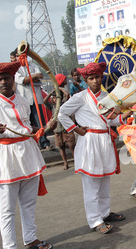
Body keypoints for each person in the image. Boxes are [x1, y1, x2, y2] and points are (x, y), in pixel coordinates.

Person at [0, 61, 54, 249]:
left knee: (28, 202)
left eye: (7, 78)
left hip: (27, 153)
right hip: (4, 155)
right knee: (7, 208)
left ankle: (30, 238)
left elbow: (25, 125)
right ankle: (9, 248)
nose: (3, 82)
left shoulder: (21, 100)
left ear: (13, 80)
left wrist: (39, 128)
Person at [57, 62, 129, 234]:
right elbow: (62, 113)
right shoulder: (80, 97)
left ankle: (104, 213)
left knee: (104, 180)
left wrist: (127, 114)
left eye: (97, 77)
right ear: (86, 80)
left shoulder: (107, 96)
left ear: (101, 77)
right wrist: (75, 129)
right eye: (91, 78)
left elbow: (110, 121)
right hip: (89, 141)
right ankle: (94, 220)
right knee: (91, 184)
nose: (95, 81)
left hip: (104, 139)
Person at [15, 51, 53, 150]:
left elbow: (39, 76)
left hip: (36, 98)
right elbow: (22, 80)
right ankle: (31, 143)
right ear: (16, 56)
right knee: (27, 122)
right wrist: (33, 77)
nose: (22, 57)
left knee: (39, 121)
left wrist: (29, 78)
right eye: (19, 55)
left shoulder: (33, 66)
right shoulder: (15, 68)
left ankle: (44, 142)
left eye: (24, 55)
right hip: (23, 100)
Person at [43, 74, 75, 170]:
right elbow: (45, 101)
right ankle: (65, 163)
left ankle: (76, 161)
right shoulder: (53, 106)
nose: (53, 99)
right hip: (57, 129)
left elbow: (67, 95)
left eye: (55, 97)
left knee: (71, 146)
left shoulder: (64, 103)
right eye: (52, 98)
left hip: (66, 127)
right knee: (61, 146)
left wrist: (59, 89)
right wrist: (53, 91)